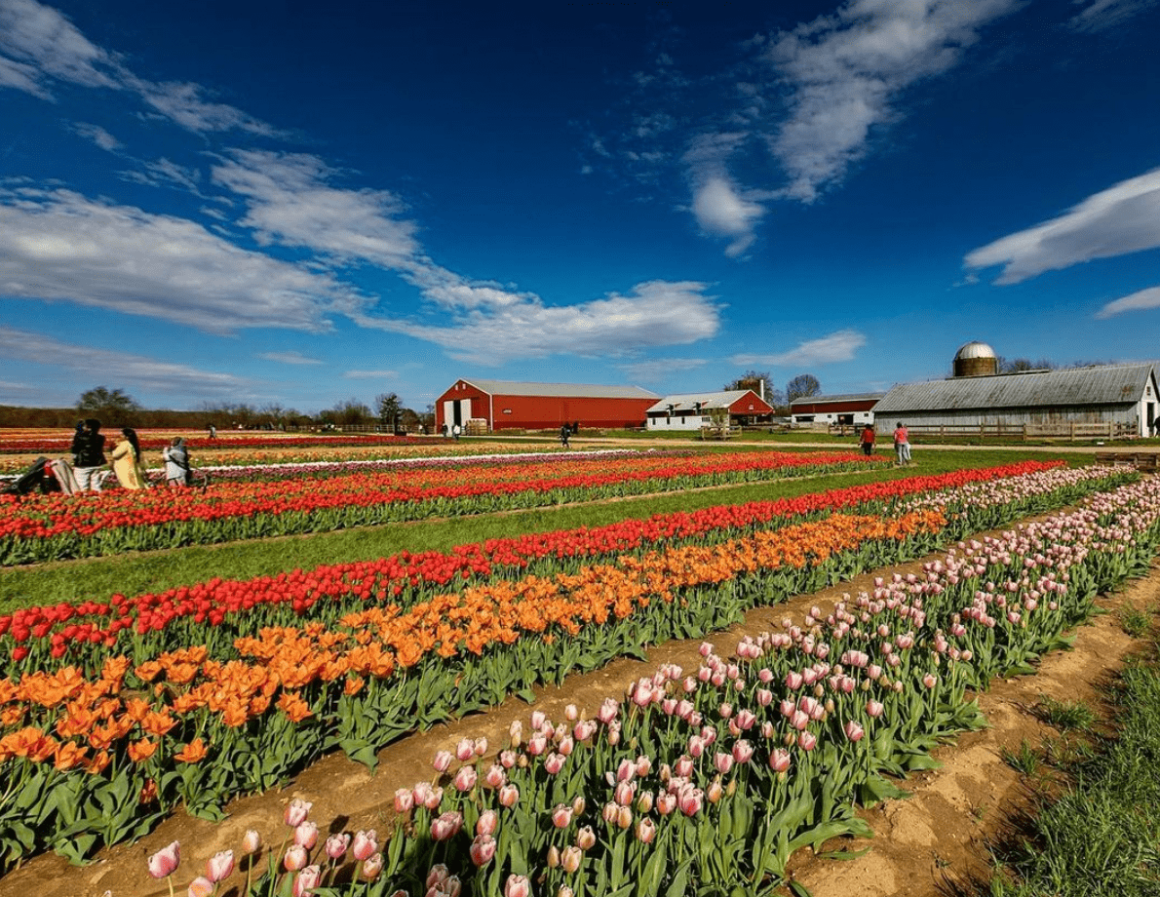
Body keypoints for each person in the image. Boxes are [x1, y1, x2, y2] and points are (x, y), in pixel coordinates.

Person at [71, 419, 108, 492]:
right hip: (96, 463)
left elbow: (75, 447)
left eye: (85, 426)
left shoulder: (80, 437)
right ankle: (99, 496)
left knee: (82, 484)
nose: (83, 427)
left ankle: (85, 497)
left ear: (90, 428)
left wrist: (79, 425)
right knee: (96, 484)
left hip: (83, 464)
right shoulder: (100, 437)